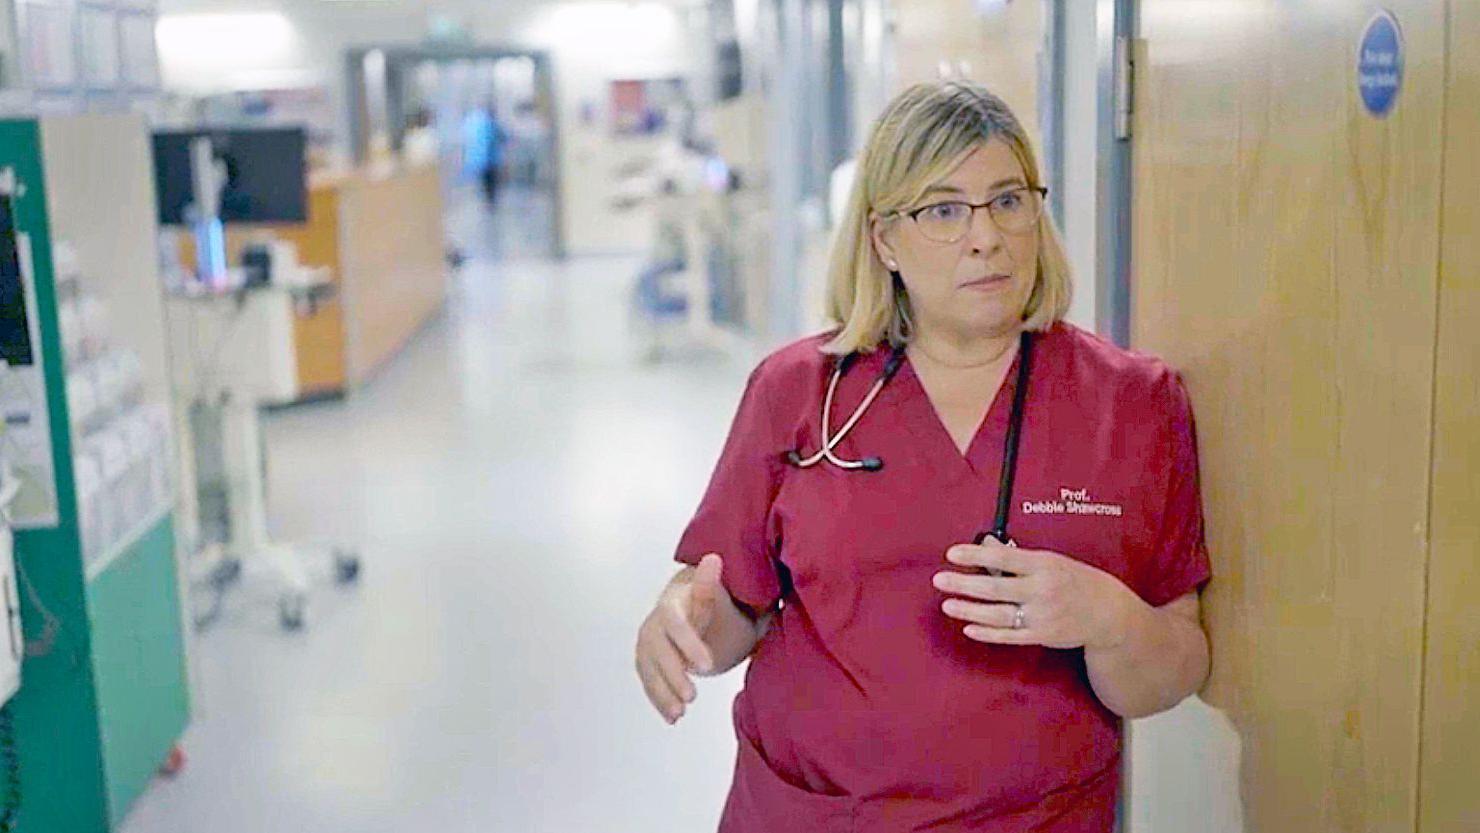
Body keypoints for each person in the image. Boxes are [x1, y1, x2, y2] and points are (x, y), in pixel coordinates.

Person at [634, 80, 1212, 832]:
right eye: (943, 210)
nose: (986, 236)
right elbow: (729, 605)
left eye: (1009, 200)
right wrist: (680, 624)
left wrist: (1108, 620)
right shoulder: (800, 391)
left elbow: (1176, 663)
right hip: (817, 813)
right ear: (884, 240)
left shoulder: (1132, 404)